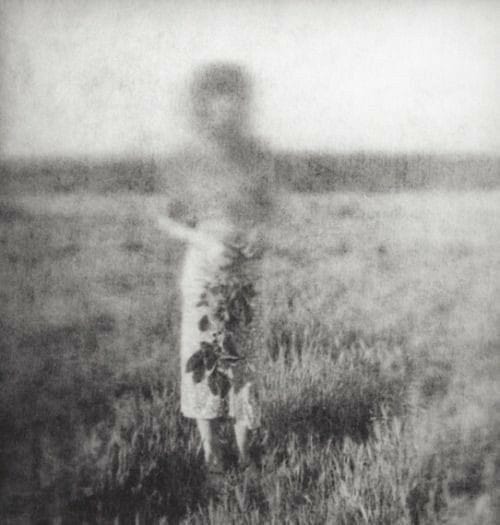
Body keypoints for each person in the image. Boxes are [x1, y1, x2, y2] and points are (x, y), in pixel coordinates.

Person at [157, 62, 278, 473]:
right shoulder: (186, 159)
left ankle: (245, 452)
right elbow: (166, 218)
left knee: (245, 360)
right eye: (216, 100)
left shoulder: (257, 155)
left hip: (245, 270)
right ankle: (211, 452)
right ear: (203, 105)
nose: (226, 108)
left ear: (242, 104)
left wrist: (260, 233)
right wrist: (204, 240)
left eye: (234, 100)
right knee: (204, 357)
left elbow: (270, 210)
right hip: (204, 272)